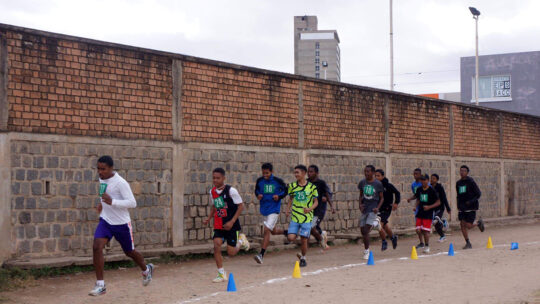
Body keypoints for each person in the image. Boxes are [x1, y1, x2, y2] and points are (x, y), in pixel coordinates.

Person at [89, 156, 154, 296]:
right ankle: (100, 285)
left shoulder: (121, 183)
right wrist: (102, 204)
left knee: (129, 252)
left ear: (111, 168)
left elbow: (132, 203)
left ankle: (146, 269)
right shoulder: (102, 179)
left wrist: (112, 202)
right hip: (106, 220)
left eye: (103, 169)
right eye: (98, 169)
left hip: (121, 223)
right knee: (96, 246)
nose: (100, 172)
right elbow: (104, 194)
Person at [203, 168, 250, 283]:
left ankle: (241, 241)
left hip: (231, 225)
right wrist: (209, 218)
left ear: (224, 178)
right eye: (213, 178)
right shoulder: (212, 192)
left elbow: (240, 206)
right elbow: (215, 206)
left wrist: (232, 221)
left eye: (218, 178)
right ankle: (221, 273)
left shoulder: (231, 191)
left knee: (231, 252)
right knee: (216, 245)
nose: (215, 180)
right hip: (219, 224)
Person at [253, 163, 288, 264]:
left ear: (271, 172)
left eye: (267, 173)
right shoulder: (260, 181)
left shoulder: (278, 181)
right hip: (264, 208)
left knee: (267, 229)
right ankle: (287, 232)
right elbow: (257, 190)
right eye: (263, 173)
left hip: (274, 209)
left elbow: (285, 190)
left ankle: (261, 255)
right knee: (273, 231)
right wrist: (258, 195)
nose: (265, 175)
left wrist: (279, 196)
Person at [286, 165, 318, 267]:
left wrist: (310, 209)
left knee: (304, 239)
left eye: (297, 172)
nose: (295, 175)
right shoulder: (292, 186)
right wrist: (287, 209)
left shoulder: (312, 187)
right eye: (294, 173)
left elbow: (316, 202)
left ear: (304, 173)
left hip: (306, 218)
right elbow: (290, 199)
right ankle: (297, 234)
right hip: (295, 216)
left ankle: (303, 258)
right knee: (290, 238)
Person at [358, 165, 384, 260]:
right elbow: (360, 196)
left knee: (366, 230)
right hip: (365, 209)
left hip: (373, 209)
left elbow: (382, 198)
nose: (366, 173)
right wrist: (360, 204)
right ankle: (376, 224)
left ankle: (366, 251)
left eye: (368, 171)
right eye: (365, 171)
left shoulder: (378, 184)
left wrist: (377, 207)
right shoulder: (362, 182)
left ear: (373, 173)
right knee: (362, 231)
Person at [456, 165, 485, 249]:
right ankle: (468, 242)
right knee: (462, 224)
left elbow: (478, 194)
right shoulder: (458, 183)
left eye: (464, 171)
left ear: (467, 172)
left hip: (471, 207)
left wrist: (471, 201)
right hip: (462, 207)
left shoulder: (471, 181)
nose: (462, 172)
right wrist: (458, 205)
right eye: (461, 171)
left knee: (468, 225)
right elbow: (458, 195)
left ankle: (478, 223)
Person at [307, 165, 335, 250]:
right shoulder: (306, 182)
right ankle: (321, 235)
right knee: (310, 227)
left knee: (311, 227)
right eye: (308, 171)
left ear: (316, 173)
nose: (309, 173)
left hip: (319, 209)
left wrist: (331, 206)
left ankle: (321, 240)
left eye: (311, 171)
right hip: (309, 209)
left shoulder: (321, 183)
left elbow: (327, 193)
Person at [413, 174, 441, 253]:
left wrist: (429, 207)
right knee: (418, 230)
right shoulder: (419, 189)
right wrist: (415, 206)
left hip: (428, 213)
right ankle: (424, 237)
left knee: (425, 231)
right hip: (420, 212)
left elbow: (438, 202)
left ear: (428, 181)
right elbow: (418, 199)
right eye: (422, 180)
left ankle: (427, 246)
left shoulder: (432, 190)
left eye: (424, 180)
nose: (423, 181)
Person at [374, 169, 400, 251]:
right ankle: (393, 237)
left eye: (378, 176)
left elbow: (397, 193)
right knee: (384, 226)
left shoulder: (388, 186)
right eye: (375, 176)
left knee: (379, 225)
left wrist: (396, 203)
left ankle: (384, 241)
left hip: (386, 209)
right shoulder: (375, 186)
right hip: (378, 209)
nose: (376, 177)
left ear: (382, 176)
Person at [430, 174, 451, 242]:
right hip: (433, 208)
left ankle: (443, 221)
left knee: (436, 219)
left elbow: (444, 198)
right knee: (436, 225)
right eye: (431, 178)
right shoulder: (429, 187)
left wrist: (448, 208)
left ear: (436, 180)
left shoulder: (439, 187)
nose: (432, 180)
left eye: (434, 178)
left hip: (440, 207)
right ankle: (442, 236)